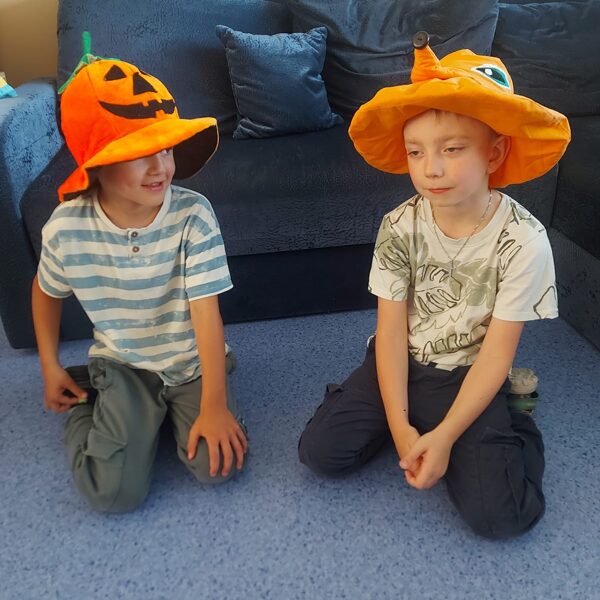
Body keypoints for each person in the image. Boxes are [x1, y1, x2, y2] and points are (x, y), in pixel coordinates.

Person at [298, 32, 571, 539]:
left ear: (495, 153)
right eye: (416, 152)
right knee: (320, 453)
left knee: (502, 518)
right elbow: (390, 331)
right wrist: (401, 427)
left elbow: (496, 354)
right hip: (401, 360)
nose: (431, 169)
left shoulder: (525, 241)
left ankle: (516, 417)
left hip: (470, 374)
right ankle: (403, 416)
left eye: (452, 149)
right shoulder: (399, 225)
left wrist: (444, 437)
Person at [32, 44, 247, 513]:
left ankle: (160, 411)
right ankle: (90, 401)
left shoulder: (194, 214)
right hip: (124, 363)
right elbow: (46, 290)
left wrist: (214, 404)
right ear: (96, 163)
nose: (161, 167)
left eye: (165, 148)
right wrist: (49, 364)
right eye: (139, 153)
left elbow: (206, 314)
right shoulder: (66, 229)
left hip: (189, 362)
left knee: (218, 466)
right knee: (113, 494)